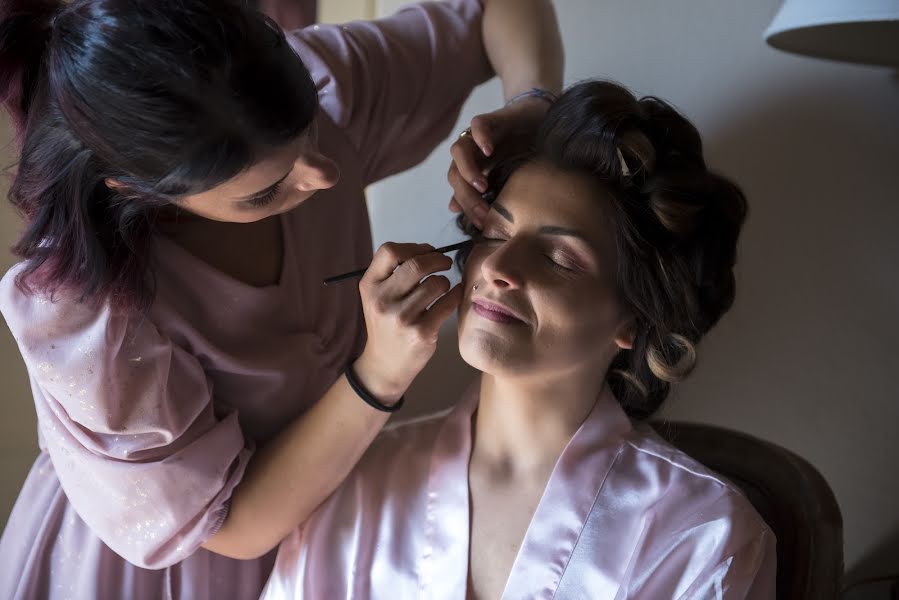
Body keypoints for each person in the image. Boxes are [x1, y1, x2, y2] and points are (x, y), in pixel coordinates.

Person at [0, 0, 563, 598]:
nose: (322, 176)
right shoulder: (87, 313)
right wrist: (379, 373)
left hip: (334, 520)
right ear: (136, 190)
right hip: (178, 564)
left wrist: (533, 110)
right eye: (267, 190)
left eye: (310, 130)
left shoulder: (324, 82)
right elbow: (235, 527)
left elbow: (501, 9)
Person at [261, 81, 776, 600]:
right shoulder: (355, 491)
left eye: (558, 259)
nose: (499, 268)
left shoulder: (700, 538)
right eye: (494, 236)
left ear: (634, 320)